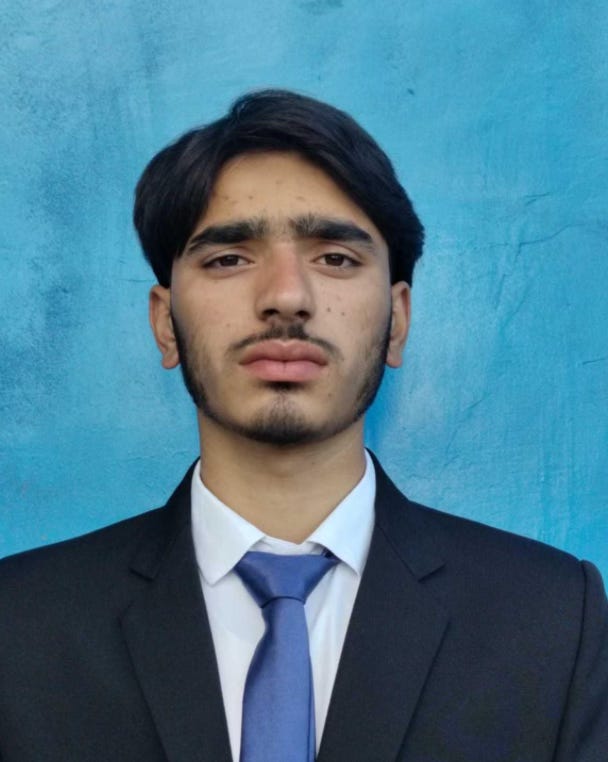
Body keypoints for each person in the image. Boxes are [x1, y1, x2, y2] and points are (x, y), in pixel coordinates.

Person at [0, 90, 606, 762]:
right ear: (164, 323)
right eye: (229, 258)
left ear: (398, 320)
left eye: (336, 258)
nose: (287, 297)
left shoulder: (553, 620)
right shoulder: (19, 623)